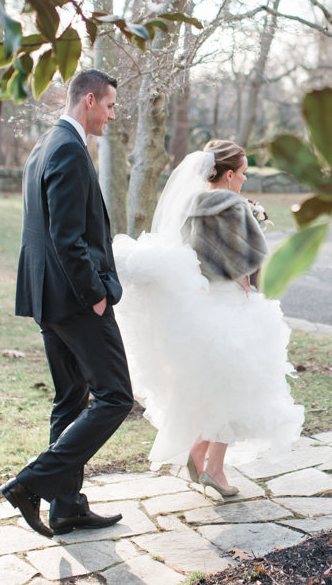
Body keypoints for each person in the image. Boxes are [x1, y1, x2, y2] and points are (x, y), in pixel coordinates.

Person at [113, 140, 303, 498]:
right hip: (233, 304)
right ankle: (213, 467)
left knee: (216, 388)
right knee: (237, 388)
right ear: (229, 175)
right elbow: (249, 261)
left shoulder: (188, 205)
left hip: (203, 305)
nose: (245, 180)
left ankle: (199, 451)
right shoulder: (233, 207)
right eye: (243, 173)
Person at [6, 70, 132, 537]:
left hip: (47, 297)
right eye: (111, 106)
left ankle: (67, 507)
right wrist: (96, 295)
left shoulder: (44, 145)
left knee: (70, 398)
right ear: (91, 100)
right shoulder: (69, 150)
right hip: (78, 302)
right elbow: (67, 236)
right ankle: (31, 483)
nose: (113, 116)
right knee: (115, 396)